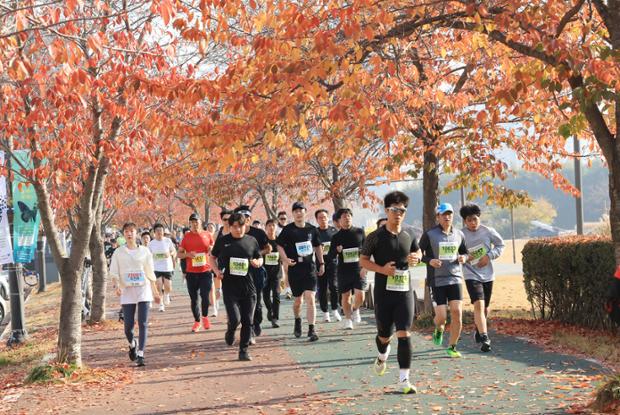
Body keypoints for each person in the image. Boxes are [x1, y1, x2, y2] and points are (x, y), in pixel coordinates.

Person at [360, 191, 421, 394]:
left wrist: (417, 258)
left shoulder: (410, 233)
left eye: (402, 210)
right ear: (387, 211)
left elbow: (417, 251)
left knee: (404, 333)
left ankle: (404, 380)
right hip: (384, 293)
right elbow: (363, 260)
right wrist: (382, 269)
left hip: (404, 291)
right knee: (384, 335)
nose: (398, 213)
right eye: (394, 210)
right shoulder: (374, 237)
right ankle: (382, 355)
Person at [210, 213, 263, 361]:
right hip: (230, 288)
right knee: (235, 319)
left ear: (245, 225)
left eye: (241, 226)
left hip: (249, 288)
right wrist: (216, 271)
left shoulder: (252, 241)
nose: (238, 229)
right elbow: (211, 257)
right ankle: (230, 331)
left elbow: (259, 257)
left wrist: (258, 262)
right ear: (230, 226)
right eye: (235, 227)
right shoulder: (223, 241)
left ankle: (243, 350)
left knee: (248, 320)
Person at [419, 203, 468, 358]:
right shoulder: (429, 234)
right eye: (444, 214)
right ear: (438, 217)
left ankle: (452, 346)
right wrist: (429, 260)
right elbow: (419, 254)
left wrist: (464, 258)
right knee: (441, 318)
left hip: (455, 278)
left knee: (457, 312)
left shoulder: (459, 234)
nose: (447, 217)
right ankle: (439, 329)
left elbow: (466, 253)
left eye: (450, 214)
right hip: (437, 280)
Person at [110, 222, 160, 367]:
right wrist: (116, 286)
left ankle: (141, 354)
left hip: (143, 288)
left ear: (136, 233)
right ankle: (133, 344)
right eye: (126, 231)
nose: (129, 234)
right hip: (127, 290)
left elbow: (150, 273)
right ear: (123, 234)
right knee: (128, 326)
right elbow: (113, 273)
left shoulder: (145, 251)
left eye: (132, 231)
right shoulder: (118, 252)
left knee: (143, 322)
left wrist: (156, 292)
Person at [277, 201, 324, 342]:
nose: (298, 213)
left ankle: (312, 329)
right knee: (298, 300)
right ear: (293, 214)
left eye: (301, 210)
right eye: (296, 211)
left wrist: (321, 263)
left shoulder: (312, 230)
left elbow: (317, 247)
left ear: (305, 212)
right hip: (295, 268)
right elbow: (279, 245)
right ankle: (297, 320)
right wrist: (285, 259)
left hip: (309, 268)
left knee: (310, 298)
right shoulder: (288, 230)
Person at [459, 204, 504, 353]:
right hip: (471, 274)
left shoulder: (488, 231)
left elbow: (500, 245)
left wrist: (489, 256)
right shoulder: (460, 235)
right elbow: (456, 254)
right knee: (478, 304)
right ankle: (485, 338)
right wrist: (464, 257)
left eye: (475, 219)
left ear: (479, 218)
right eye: (469, 220)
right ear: (464, 221)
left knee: (485, 308)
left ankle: (479, 329)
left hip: (488, 275)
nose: (473, 223)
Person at [234, 205, 270, 341]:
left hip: (256, 271)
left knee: (257, 301)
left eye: (247, 217)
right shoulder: (234, 234)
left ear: (250, 219)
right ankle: (248, 330)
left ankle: (256, 322)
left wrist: (257, 255)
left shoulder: (259, 233)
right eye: (243, 217)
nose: (245, 220)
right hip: (239, 273)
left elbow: (268, 248)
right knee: (243, 302)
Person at [328, 208, 365, 329]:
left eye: (349, 215)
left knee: (360, 295)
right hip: (343, 270)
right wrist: (336, 250)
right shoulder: (336, 237)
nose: (347, 218)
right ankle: (348, 319)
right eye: (344, 216)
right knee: (345, 296)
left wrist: (365, 265)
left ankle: (356, 309)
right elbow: (330, 255)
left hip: (358, 268)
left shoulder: (359, 232)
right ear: (339, 220)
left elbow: (367, 250)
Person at [178, 213, 215, 332]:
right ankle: (197, 321)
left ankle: (205, 317)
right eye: (192, 222)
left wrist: (211, 249)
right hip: (191, 273)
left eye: (196, 222)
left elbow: (213, 247)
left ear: (200, 222)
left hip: (205, 271)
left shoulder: (207, 234)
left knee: (205, 296)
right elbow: (179, 254)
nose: (194, 224)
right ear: (189, 224)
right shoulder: (186, 237)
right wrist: (188, 254)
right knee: (194, 299)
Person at [315, 209, 340, 323]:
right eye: (320, 217)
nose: (323, 219)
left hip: (333, 263)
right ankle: (325, 312)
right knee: (322, 288)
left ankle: (335, 309)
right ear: (317, 220)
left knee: (334, 287)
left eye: (324, 217)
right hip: (319, 264)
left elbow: (339, 245)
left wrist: (339, 249)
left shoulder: (334, 231)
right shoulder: (315, 233)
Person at [148, 223, 177, 312]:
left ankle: (167, 294)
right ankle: (161, 304)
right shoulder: (151, 243)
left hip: (167, 267)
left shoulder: (168, 241)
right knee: (159, 285)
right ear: (154, 232)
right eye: (157, 231)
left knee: (168, 286)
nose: (159, 232)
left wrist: (170, 254)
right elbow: (148, 255)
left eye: (161, 230)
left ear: (163, 232)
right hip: (156, 267)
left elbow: (174, 251)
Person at [263, 219, 283, 328]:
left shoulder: (279, 241)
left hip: (276, 273)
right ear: (265, 228)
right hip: (264, 274)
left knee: (276, 295)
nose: (271, 228)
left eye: (273, 225)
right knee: (265, 295)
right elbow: (256, 253)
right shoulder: (263, 241)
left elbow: (284, 256)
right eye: (269, 225)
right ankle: (270, 309)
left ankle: (275, 318)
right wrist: (265, 251)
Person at [276, 211, 293, 299]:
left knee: (287, 272)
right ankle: (285, 289)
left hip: (288, 253)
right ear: (278, 219)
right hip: (277, 254)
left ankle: (288, 290)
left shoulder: (290, 228)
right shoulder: (275, 229)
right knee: (283, 273)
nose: (283, 220)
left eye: (284, 219)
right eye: (281, 218)